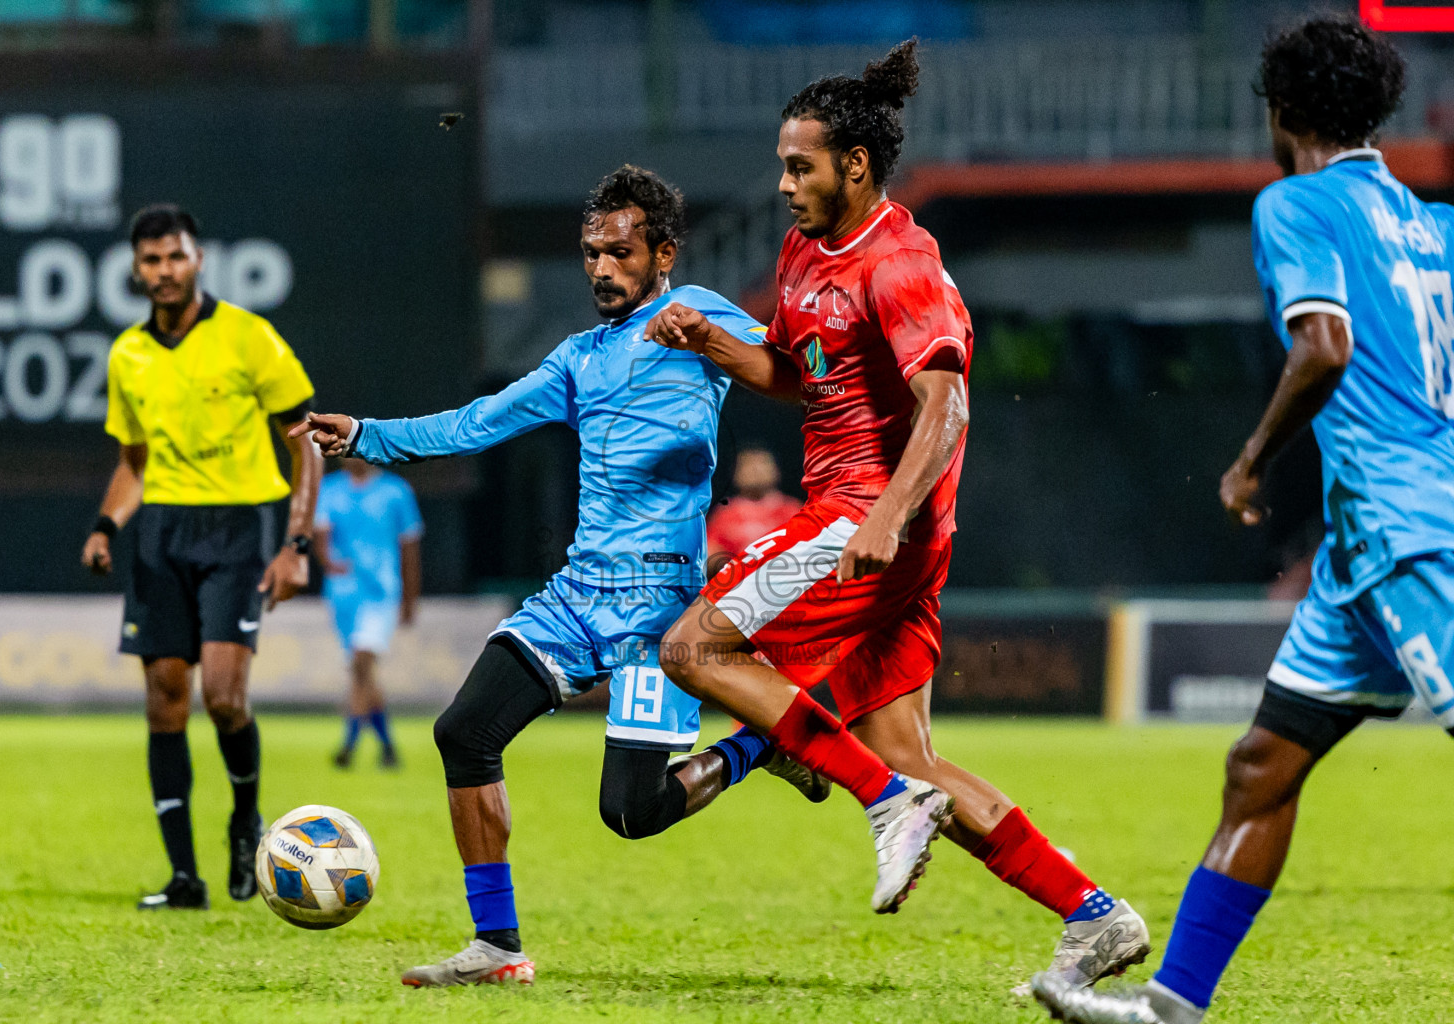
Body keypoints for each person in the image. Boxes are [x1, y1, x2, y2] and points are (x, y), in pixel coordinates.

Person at [648, 39, 1148, 985]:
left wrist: (882, 519)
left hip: (867, 522)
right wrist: (712, 338)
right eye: (783, 165)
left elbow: (947, 404)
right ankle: (1095, 916)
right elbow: (802, 379)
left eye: (801, 166)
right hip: (881, 536)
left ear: (856, 165)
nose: (785, 183)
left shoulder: (901, 263)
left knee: (693, 649)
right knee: (909, 757)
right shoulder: (805, 253)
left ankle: (851, 787)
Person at [296, 166, 828, 988]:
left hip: (662, 611)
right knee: (462, 733)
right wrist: (366, 432)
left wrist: (715, 344)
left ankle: (760, 744)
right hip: (578, 598)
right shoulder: (578, 358)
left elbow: (794, 380)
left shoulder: (701, 317)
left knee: (632, 813)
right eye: (590, 254)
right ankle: (497, 947)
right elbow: (476, 422)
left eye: (619, 253)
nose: (602, 269)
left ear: (664, 254)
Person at [1032, 18, 1454, 1024]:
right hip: (1363, 547)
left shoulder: (1295, 203)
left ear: (1286, 111)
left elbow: (1322, 347)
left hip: (1412, 533)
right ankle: (1176, 1003)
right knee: (1261, 764)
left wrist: (1249, 458)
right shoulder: (1430, 220)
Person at [82, 204, 321, 911]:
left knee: (222, 695)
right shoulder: (127, 353)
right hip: (161, 533)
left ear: (198, 259)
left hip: (239, 530)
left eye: (175, 257)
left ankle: (245, 818)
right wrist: (105, 525)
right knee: (163, 698)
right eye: (151, 261)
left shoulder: (249, 337)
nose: (163, 271)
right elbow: (135, 463)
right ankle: (184, 878)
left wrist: (296, 544)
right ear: (136, 268)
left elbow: (303, 442)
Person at [315, 458, 424, 769]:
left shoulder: (395, 491)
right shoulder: (330, 488)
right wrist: (326, 560)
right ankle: (387, 745)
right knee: (361, 671)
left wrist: (410, 599)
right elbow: (320, 533)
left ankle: (348, 744)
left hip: (381, 592)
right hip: (343, 594)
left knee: (362, 661)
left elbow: (410, 546)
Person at [705, 446, 803, 568]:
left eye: (762, 463)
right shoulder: (725, 513)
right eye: (748, 464)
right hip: (738, 581)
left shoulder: (792, 510)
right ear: (736, 473)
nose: (755, 469)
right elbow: (710, 557)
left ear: (776, 470)